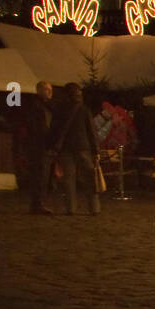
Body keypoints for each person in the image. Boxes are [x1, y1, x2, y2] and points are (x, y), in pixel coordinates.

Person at [52, 82, 100, 216]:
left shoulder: (59, 110)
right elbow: (92, 131)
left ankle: (71, 208)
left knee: (68, 180)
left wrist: (54, 146)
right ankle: (94, 208)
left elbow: (54, 130)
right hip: (83, 147)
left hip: (66, 149)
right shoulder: (84, 110)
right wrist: (96, 150)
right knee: (90, 178)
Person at [24, 80, 56, 214]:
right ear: (39, 91)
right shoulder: (36, 106)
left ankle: (39, 203)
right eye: (47, 90)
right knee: (40, 176)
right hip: (39, 146)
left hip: (44, 145)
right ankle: (38, 204)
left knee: (44, 176)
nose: (50, 92)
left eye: (50, 90)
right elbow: (37, 127)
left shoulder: (45, 106)